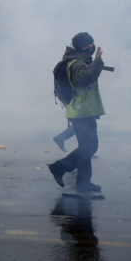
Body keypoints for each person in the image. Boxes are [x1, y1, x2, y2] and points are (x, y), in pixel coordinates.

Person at [47, 32, 106, 193]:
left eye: (91, 43)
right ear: (80, 47)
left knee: (85, 148)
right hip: (81, 111)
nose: (91, 47)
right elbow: (83, 79)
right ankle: (59, 168)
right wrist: (97, 63)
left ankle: (83, 182)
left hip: (82, 110)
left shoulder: (77, 60)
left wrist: (95, 64)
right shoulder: (77, 63)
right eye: (87, 45)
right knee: (90, 147)